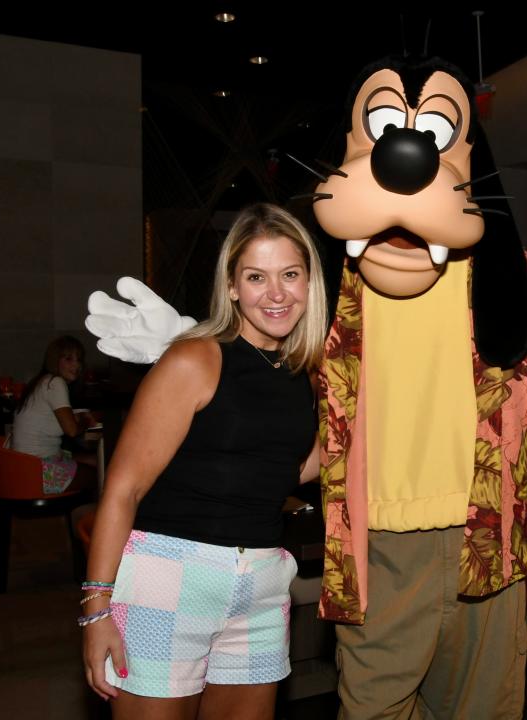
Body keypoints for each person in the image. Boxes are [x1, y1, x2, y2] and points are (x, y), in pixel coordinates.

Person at [86, 57, 527, 719]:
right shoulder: (329, 294)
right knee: (374, 707)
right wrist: (203, 341)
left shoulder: (506, 277)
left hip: (490, 542)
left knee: (482, 708)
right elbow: (273, 368)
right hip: (377, 549)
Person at [81, 203, 327, 720]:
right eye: (256, 277)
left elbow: (280, 470)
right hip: (171, 575)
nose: (276, 293)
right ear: (233, 286)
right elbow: (123, 489)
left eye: (290, 275)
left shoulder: (300, 373)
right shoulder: (195, 358)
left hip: (261, 581)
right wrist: (96, 608)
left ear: (310, 282)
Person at [11, 335, 97, 494]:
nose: (76, 365)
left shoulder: (41, 381)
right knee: (102, 474)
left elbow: (50, 420)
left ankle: (77, 516)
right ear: (54, 360)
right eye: (68, 359)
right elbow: (71, 430)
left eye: (79, 359)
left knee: (96, 459)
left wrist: (77, 418)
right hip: (38, 470)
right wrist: (86, 420)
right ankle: (88, 517)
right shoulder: (55, 383)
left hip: (23, 466)